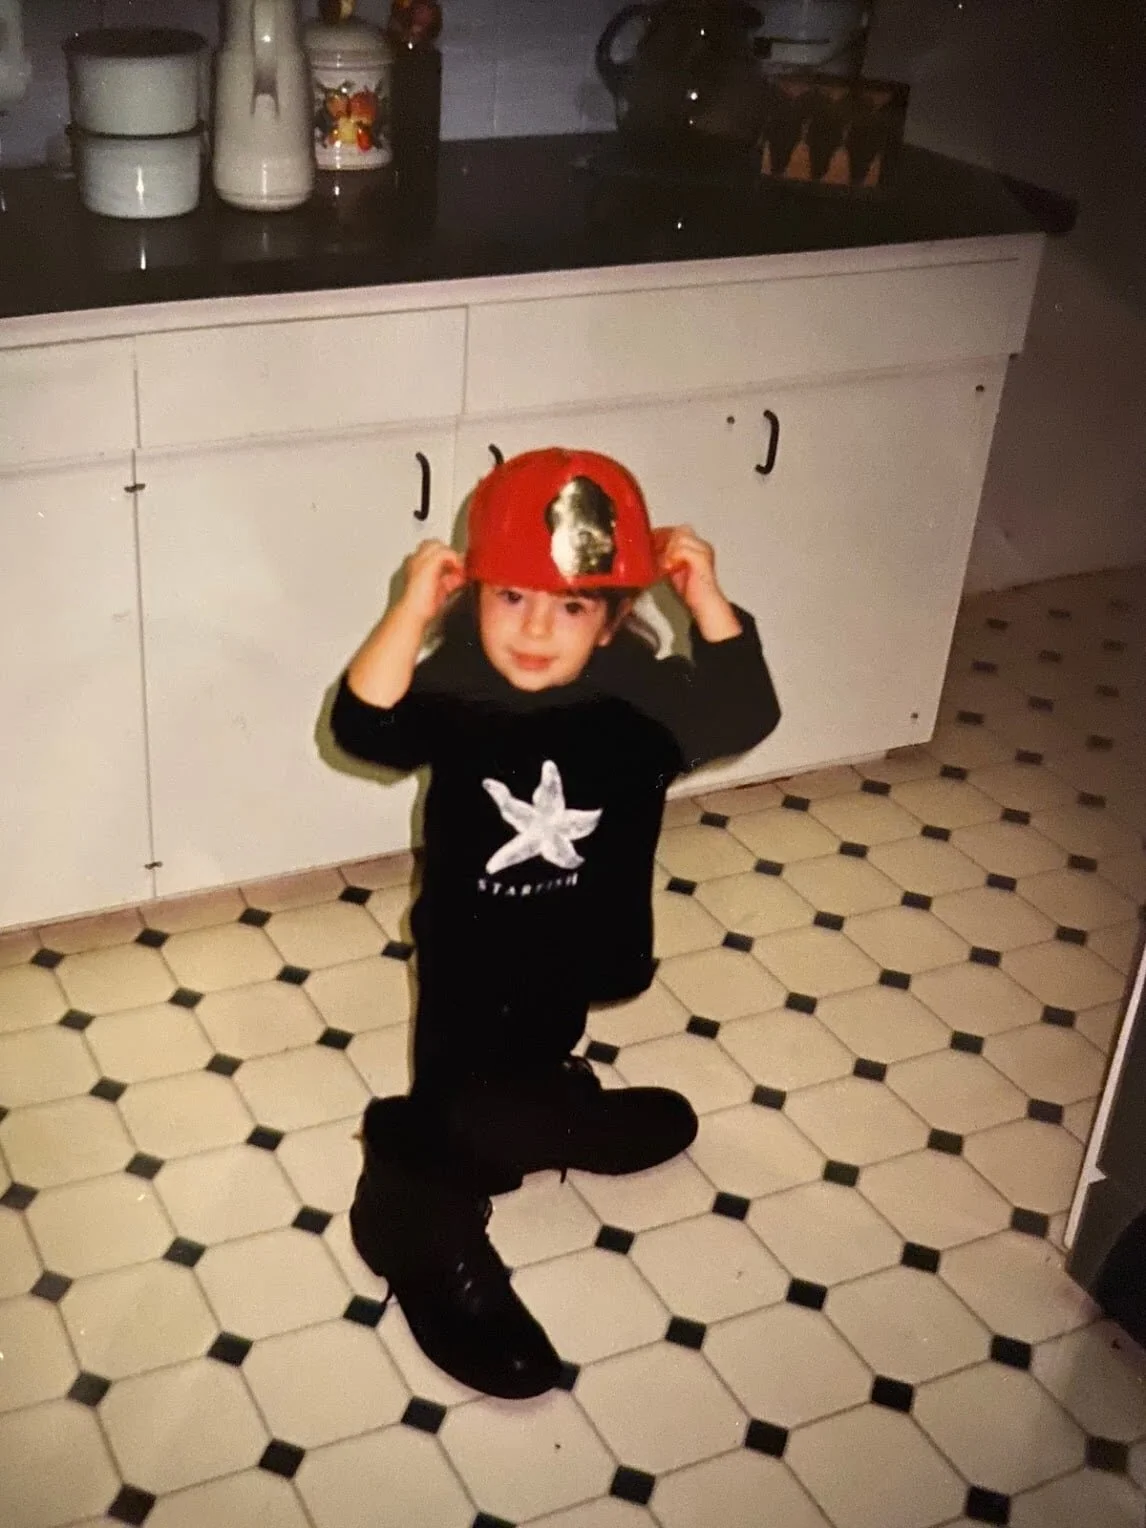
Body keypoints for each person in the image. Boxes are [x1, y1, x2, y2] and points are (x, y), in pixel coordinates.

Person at [329, 447, 781, 1399]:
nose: (536, 628)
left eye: (571, 607)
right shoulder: (457, 691)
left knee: (542, 1042)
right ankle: (417, 1219)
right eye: (512, 598)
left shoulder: (640, 701)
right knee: (456, 1090)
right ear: (472, 597)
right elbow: (363, 727)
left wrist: (707, 597)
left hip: (581, 939)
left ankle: (539, 1114)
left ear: (612, 619)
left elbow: (746, 710)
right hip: (471, 951)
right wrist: (410, 610)